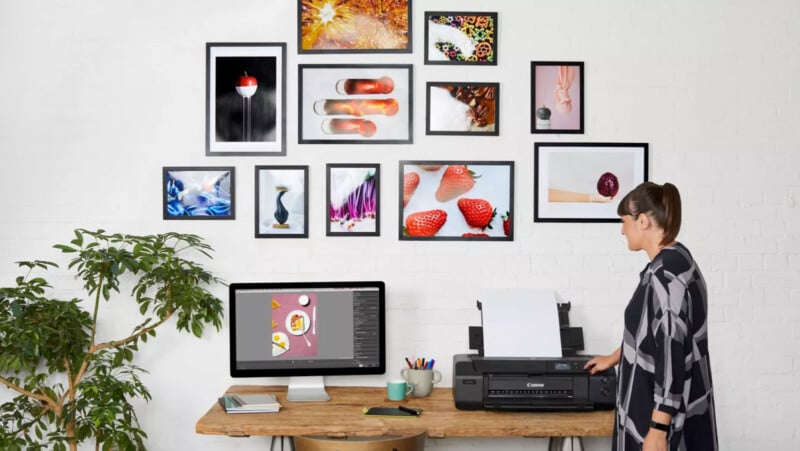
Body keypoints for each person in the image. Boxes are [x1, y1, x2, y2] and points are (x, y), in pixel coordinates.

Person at [584, 182, 718, 451]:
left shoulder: (665, 278)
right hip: (672, 408)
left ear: (642, 221)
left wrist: (658, 428)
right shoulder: (678, 260)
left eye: (624, 221)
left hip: (658, 418)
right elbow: (657, 331)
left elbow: (672, 352)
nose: (622, 230)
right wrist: (616, 356)